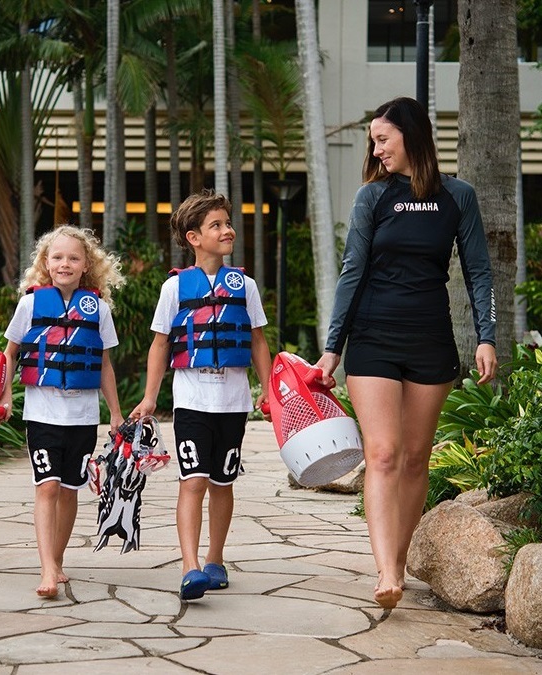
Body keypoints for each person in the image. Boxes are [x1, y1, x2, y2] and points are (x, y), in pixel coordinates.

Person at [315, 97, 498, 610]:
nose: (376, 149)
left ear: (411, 136)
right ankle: (386, 570)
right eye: (374, 141)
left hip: (430, 340)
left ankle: (397, 559)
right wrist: (332, 349)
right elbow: (352, 272)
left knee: (416, 458)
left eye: (383, 139)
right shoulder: (372, 196)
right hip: (373, 338)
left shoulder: (458, 196)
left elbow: (478, 271)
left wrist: (486, 336)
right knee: (383, 453)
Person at [130, 189, 272, 601]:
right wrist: (150, 397)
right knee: (192, 480)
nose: (227, 230)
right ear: (194, 237)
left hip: (233, 402)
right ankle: (190, 567)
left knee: (222, 482)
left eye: (228, 223)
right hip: (192, 400)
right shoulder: (174, 288)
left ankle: (215, 558)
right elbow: (160, 343)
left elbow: (258, 341)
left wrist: (269, 391)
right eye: (217, 225)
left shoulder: (245, 285)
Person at [0, 225, 124, 599]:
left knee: (69, 490)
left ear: (86, 265)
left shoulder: (99, 310)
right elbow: (9, 354)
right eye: (57, 257)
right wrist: (6, 396)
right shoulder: (30, 305)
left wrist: (116, 414)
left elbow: (104, 364)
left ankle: (57, 558)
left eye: (73, 258)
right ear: (45, 263)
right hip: (42, 414)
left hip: (83, 417)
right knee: (48, 486)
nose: (64, 264)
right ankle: (47, 569)